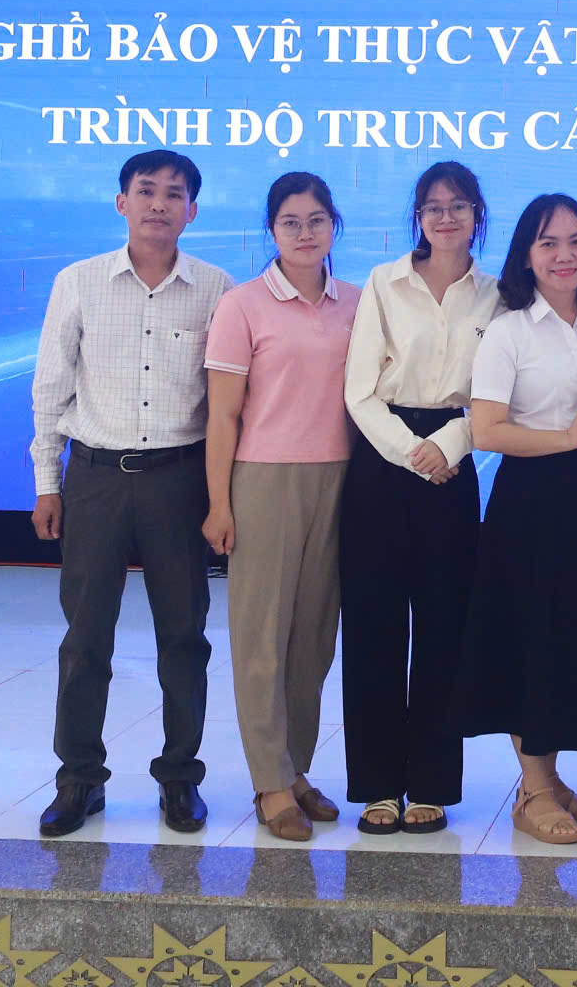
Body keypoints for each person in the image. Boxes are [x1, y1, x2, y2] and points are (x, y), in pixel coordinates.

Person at [29, 149, 234, 838]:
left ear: (192, 211)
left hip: (180, 482)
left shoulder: (217, 289)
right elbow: (50, 389)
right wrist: (47, 482)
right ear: (122, 202)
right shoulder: (79, 281)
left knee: (185, 638)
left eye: (174, 194)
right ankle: (78, 779)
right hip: (95, 480)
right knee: (86, 639)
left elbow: (226, 404)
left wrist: (221, 497)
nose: (158, 204)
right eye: (145, 191)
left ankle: (179, 778)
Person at [455, 193, 577, 846]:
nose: (564, 254)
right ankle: (532, 788)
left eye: (576, 241)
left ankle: (550, 776)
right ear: (527, 254)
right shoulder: (509, 331)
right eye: (548, 242)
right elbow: (488, 431)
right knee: (529, 638)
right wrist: (569, 438)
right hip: (530, 497)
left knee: (574, 636)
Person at [340, 161, 500, 834]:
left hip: (453, 464)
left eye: (459, 205)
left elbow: (498, 393)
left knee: (444, 631)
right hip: (382, 463)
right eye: (433, 206)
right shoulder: (385, 283)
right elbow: (358, 391)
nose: (445, 217)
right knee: (373, 628)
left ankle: (432, 782)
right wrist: (413, 452)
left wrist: (451, 444)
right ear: (418, 216)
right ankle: (378, 785)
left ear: (477, 215)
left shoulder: (498, 296)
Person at [201, 172, 358, 842]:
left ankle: (296, 770)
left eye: (316, 220)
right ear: (271, 230)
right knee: (262, 637)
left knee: (315, 640)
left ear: (333, 226)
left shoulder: (357, 303)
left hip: (341, 478)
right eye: (290, 222)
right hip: (263, 480)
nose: (304, 232)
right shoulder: (242, 306)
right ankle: (269, 781)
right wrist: (219, 504)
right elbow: (222, 416)